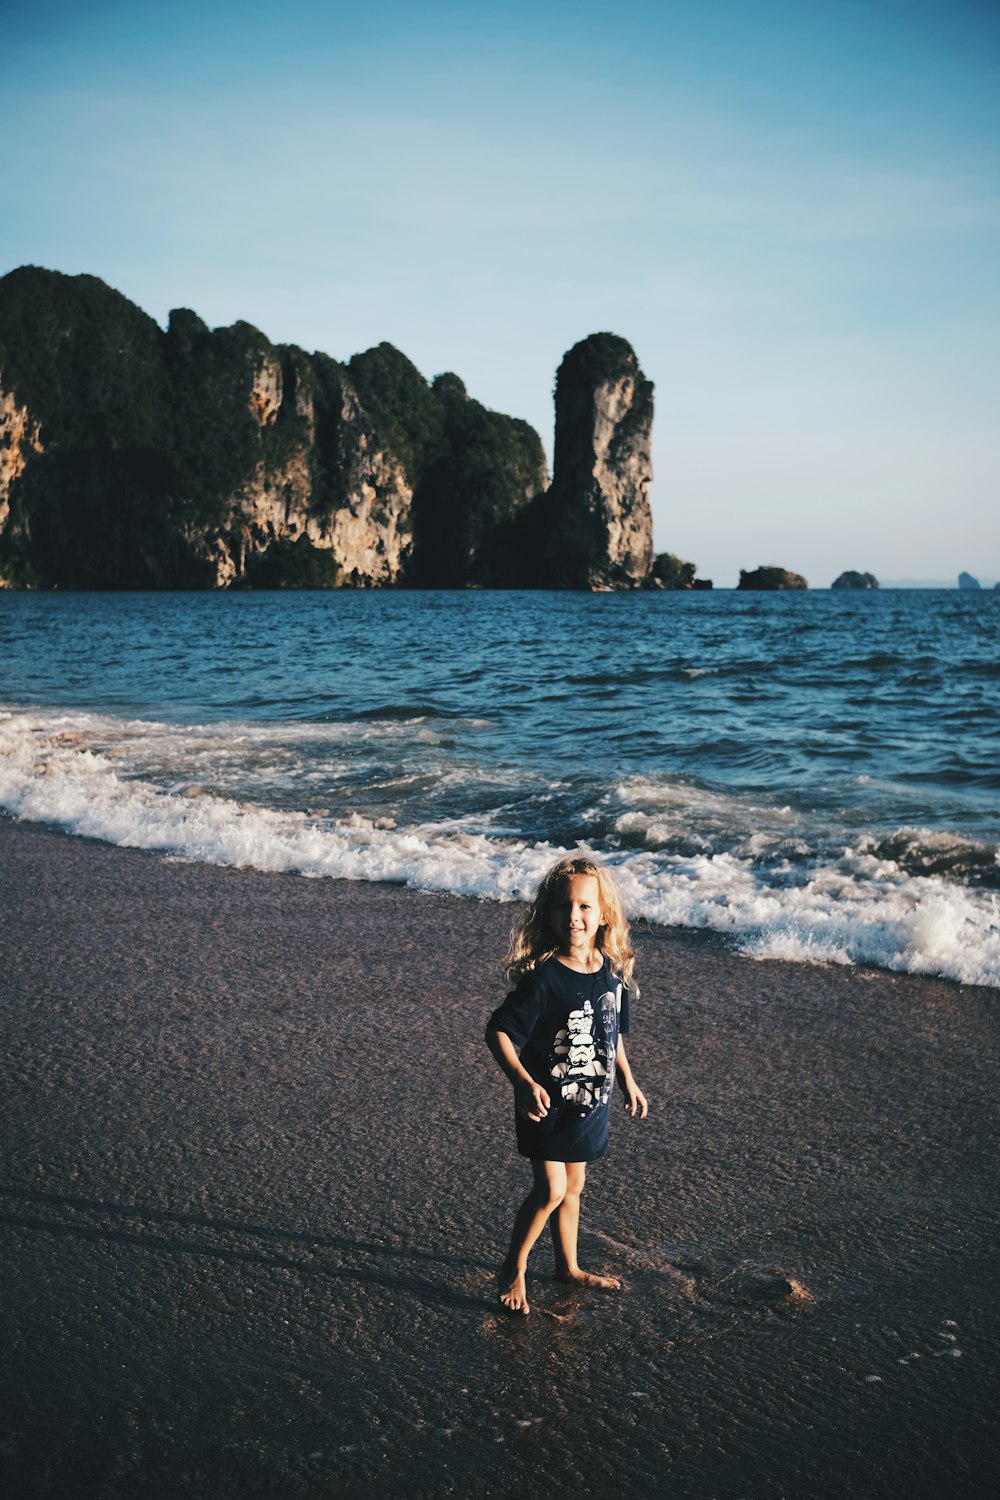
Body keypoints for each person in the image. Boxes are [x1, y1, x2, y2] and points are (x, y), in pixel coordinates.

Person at [485, 854, 648, 1315]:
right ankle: (513, 1268)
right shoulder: (543, 979)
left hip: (590, 1102)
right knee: (551, 1190)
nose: (573, 917)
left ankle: (568, 1267)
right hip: (545, 1103)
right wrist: (520, 1081)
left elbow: (611, 1033)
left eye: (584, 907)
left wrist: (628, 1082)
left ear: (603, 916)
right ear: (549, 913)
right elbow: (497, 1030)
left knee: (573, 1188)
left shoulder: (611, 972)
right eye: (563, 907)